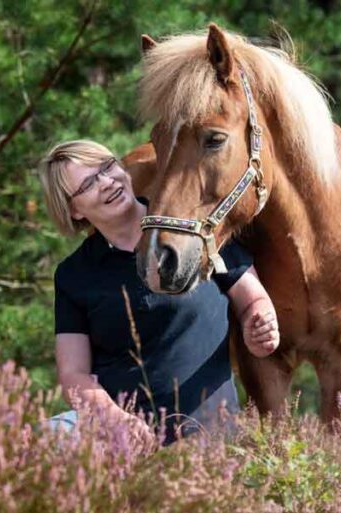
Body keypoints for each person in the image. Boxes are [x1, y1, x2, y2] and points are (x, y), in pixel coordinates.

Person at [37, 140, 279, 445]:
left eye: (108, 167)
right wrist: (116, 421)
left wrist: (261, 322)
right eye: (88, 183)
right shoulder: (75, 275)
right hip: (115, 437)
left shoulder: (192, 225)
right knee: (27, 445)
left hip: (206, 437)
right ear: (73, 210)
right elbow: (73, 374)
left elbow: (253, 300)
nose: (107, 182)